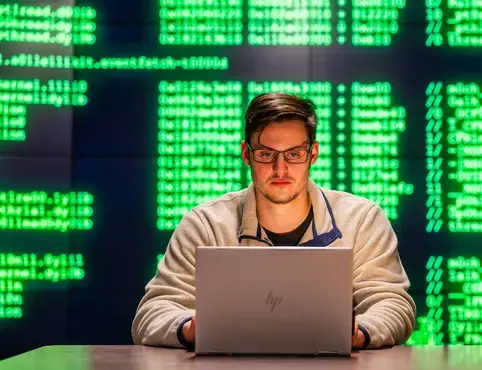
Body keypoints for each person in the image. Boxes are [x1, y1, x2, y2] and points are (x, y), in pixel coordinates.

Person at [132, 93, 416, 350]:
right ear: (246, 154)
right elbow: (152, 313)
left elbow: (393, 304)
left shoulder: (362, 220)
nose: (281, 169)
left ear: (312, 154)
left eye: (294, 154)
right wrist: (190, 328)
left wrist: (361, 332)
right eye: (267, 154)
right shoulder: (205, 224)